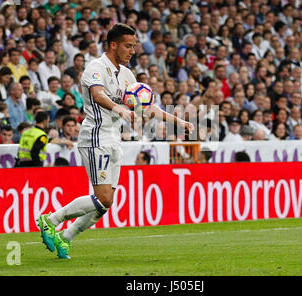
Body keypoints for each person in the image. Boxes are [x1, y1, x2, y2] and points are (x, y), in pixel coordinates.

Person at [36, 24, 193, 259]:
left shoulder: (127, 75)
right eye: (128, 46)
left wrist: (178, 122)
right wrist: (119, 108)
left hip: (114, 140)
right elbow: (98, 95)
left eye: (134, 46)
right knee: (103, 197)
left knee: (104, 205)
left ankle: (65, 238)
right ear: (113, 45)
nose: (132, 51)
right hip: (95, 137)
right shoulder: (96, 68)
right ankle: (50, 220)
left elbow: (148, 107)